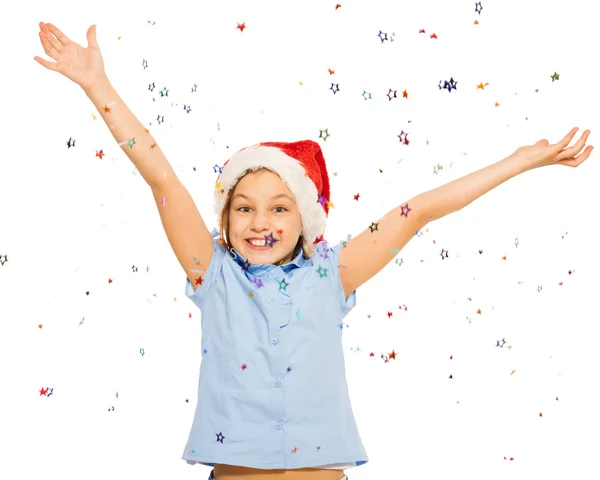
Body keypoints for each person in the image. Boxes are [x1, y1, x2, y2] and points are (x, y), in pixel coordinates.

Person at [34, 22, 593, 480]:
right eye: (244, 207)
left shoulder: (334, 273)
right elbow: (161, 178)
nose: (260, 222)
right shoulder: (213, 273)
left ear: (306, 219)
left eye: (280, 207)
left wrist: (520, 161)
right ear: (225, 220)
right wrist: (96, 86)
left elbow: (420, 208)